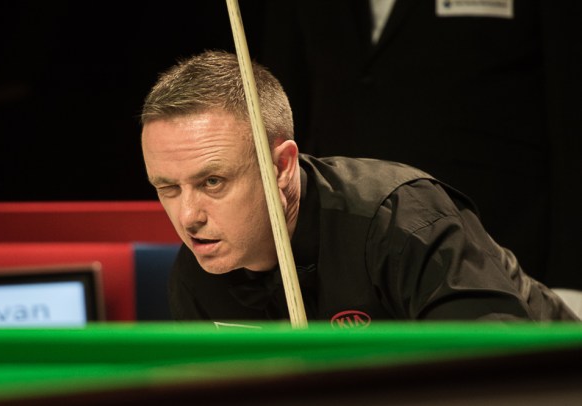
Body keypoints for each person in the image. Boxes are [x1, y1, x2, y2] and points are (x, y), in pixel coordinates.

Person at [140, 50, 577, 323]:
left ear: (282, 166)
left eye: (213, 181)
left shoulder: (402, 221)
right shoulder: (196, 278)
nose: (188, 217)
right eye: (168, 188)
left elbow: (495, 379)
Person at [257, 0, 582, 290]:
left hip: (494, 254)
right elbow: (282, 105)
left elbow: (570, 113)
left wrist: (572, 280)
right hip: (343, 262)